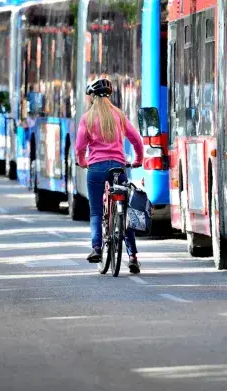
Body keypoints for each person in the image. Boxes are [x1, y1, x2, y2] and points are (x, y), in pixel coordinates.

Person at [75, 78, 144, 274]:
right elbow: (136, 140)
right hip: (119, 168)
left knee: (96, 211)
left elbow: (80, 147)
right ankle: (132, 257)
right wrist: (138, 159)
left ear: (92, 98)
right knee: (125, 211)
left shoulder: (87, 118)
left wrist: (82, 162)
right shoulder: (119, 115)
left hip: (96, 168)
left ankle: (96, 248)